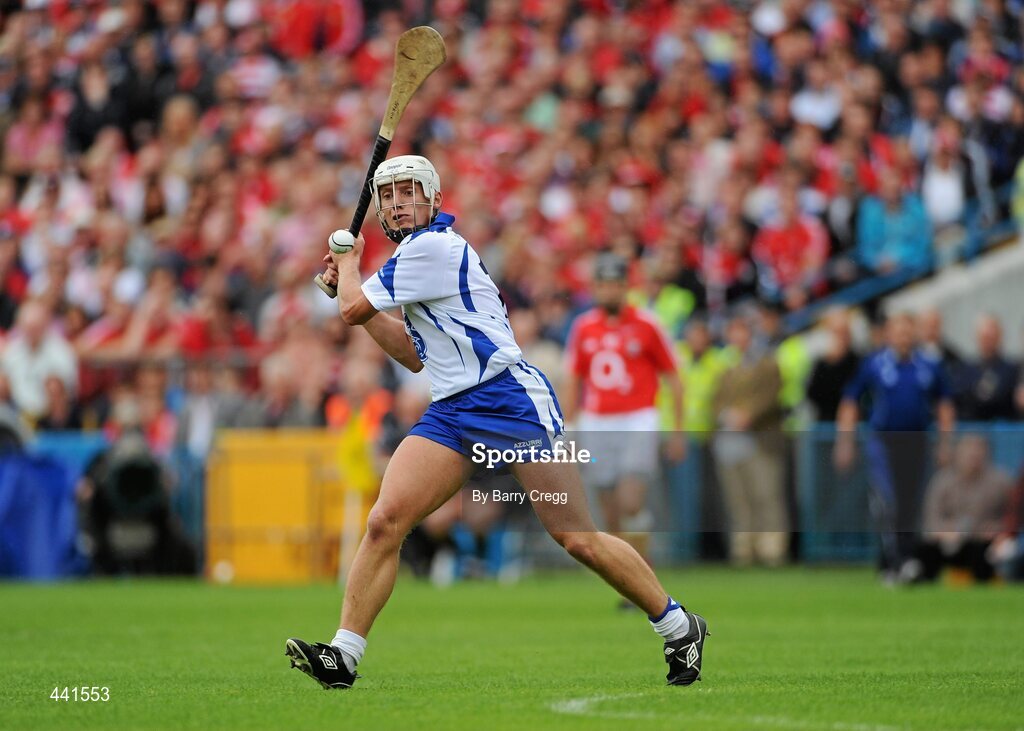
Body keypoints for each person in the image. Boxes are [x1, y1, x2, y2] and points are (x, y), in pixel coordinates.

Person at [285, 155, 708, 689]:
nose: (397, 203)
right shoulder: (412, 259)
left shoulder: (432, 248)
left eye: (409, 193)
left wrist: (347, 267)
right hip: (452, 412)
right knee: (384, 521)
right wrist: (355, 289)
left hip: (510, 402)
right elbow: (411, 355)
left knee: (577, 538)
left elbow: (348, 310)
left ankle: (677, 624)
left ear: (434, 201)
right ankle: (342, 656)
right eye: (388, 196)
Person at [562, 252, 685, 584]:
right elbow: (573, 379)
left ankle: (643, 569)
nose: (608, 291)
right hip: (597, 421)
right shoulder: (583, 326)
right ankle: (628, 577)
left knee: (631, 501)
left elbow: (674, 375)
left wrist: (677, 430)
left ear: (626, 287)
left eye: (614, 284)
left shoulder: (647, 323)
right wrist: (570, 429)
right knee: (610, 510)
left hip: (637, 419)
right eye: (602, 285)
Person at [835, 312, 956, 584]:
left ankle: (905, 559)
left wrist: (947, 442)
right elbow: (851, 401)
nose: (903, 336)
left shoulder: (929, 365)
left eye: (907, 330)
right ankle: (895, 560)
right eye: (897, 331)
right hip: (884, 442)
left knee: (911, 503)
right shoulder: (875, 364)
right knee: (886, 501)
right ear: (888, 334)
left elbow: (944, 404)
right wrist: (845, 440)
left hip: (917, 441)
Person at [711, 313, 788, 566]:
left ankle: (772, 550)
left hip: (760, 440)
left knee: (766, 495)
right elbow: (715, 400)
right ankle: (743, 550)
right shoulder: (726, 367)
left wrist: (747, 415)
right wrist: (727, 415)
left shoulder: (767, 363)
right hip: (731, 441)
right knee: (738, 499)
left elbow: (771, 396)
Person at [916, 435, 1013, 582]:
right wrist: (944, 532)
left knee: (990, 552)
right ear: (957, 453)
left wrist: (1000, 529)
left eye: (978, 452)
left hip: (984, 543)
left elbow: (1013, 515)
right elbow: (931, 519)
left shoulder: (1000, 481)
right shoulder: (942, 481)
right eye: (969, 451)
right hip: (949, 541)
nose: (973, 456)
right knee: (925, 550)